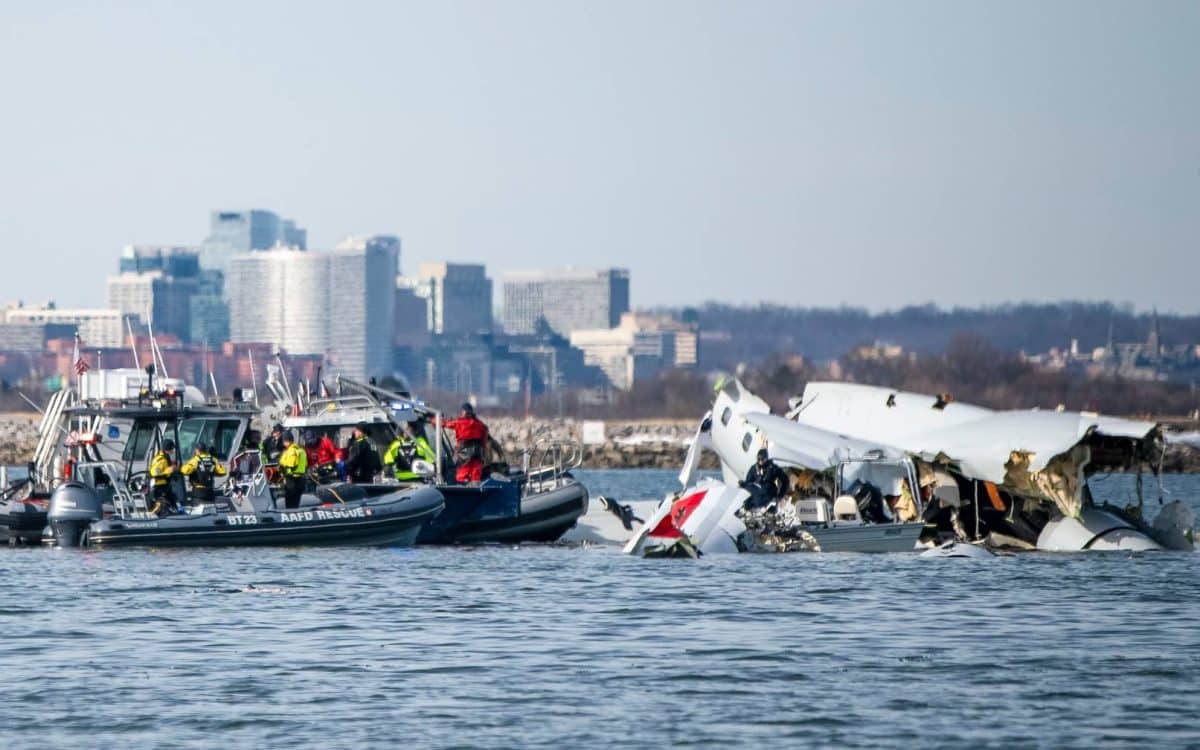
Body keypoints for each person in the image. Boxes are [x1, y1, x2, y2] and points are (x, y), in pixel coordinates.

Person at [445, 403, 488, 483]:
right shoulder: (480, 424)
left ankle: (461, 490)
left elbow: (445, 423)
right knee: (476, 475)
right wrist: (484, 451)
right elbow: (484, 438)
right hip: (478, 452)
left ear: (463, 412)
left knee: (462, 474)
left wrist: (433, 420)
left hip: (465, 453)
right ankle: (476, 490)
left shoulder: (459, 422)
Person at [148, 439, 180, 515]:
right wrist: (169, 470)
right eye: (172, 448)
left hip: (165, 486)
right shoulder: (161, 459)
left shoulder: (165, 457)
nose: (173, 450)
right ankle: (152, 515)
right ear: (168, 448)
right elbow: (155, 472)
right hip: (159, 487)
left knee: (172, 501)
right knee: (163, 504)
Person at [277, 431, 308, 509]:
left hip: (292, 480)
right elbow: (306, 465)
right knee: (296, 502)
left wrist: (282, 468)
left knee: (290, 502)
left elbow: (291, 465)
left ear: (286, 441)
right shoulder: (301, 450)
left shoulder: (291, 451)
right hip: (300, 479)